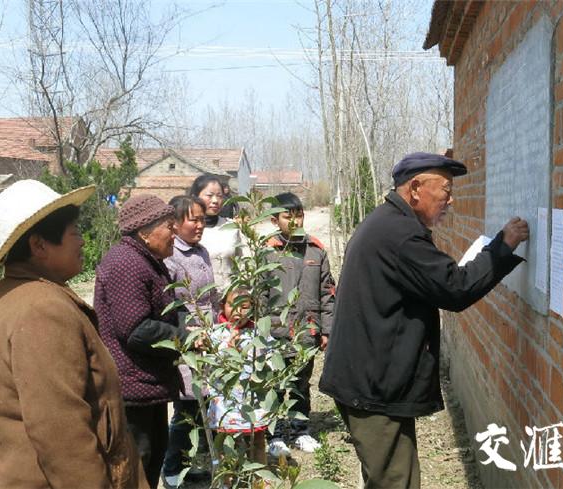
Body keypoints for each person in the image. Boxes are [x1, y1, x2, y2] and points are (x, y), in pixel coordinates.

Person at [319, 152, 529, 489]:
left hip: (373, 379)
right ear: (415, 188)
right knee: (394, 482)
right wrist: (502, 246)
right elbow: (455, 288)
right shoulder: (400, 235)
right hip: (372, 386)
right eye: (445, 190)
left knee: (396, 478)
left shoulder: (389, 223)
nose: (451, 200)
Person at [0, 180, 147, 488]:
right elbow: (62, 435)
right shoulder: (41, 310)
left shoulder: (23, 296)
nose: (82, 241)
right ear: (39, 245)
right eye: (75, 232)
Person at [95, 194, 186, 489]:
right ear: (145, 232)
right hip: (131, 389)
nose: (175, 233)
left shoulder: (146, 260)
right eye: (169, 227)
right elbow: (136, 329)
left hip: (148, 386)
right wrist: (185, 338)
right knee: (136, 468)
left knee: (150, 462)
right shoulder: (127, 265)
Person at [265, 192, 335, 457]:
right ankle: (275, 435)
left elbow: (328, 294)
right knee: (272, 385)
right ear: (275, 220)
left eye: (299, 215)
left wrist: (326, 329)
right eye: (287, 216)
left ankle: (300, 430)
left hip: (307, 330)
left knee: (300, 384)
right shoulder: (267, 253)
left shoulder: (315, 250)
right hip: (274, 333)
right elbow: (259, 295)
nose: (295, 221)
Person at [161, 195, 218, 488]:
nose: (199, 225)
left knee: (206, 407)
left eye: (202, 219)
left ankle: (195, 464)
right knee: (186, 409)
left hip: (210, 340)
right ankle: (172, 467)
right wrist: (189, 337)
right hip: (189, 343)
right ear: (174, 222)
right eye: (193, 219)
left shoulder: (203, 251)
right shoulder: (171, 257)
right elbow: (171, 305)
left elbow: (212, 297)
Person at [206, 288, 269, 466]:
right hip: (226, 402)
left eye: (244, 307)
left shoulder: (258, 333)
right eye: (231, 306)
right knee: (226, 443)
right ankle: (227, 480)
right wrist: (229, 351)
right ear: (222, 306)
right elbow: (210, 364)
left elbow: (271, 358)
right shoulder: (216, 334)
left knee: (257, 440)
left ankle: (259, 478)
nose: (237, 312)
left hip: (253, 399)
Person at [190, 174, 243, 291]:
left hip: (229, 300)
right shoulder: (186, 230)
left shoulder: (232, 227)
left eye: (219, 196)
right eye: (209, 195)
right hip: (197, 302)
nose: (215, 201)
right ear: (195, 197)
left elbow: (244, 264)